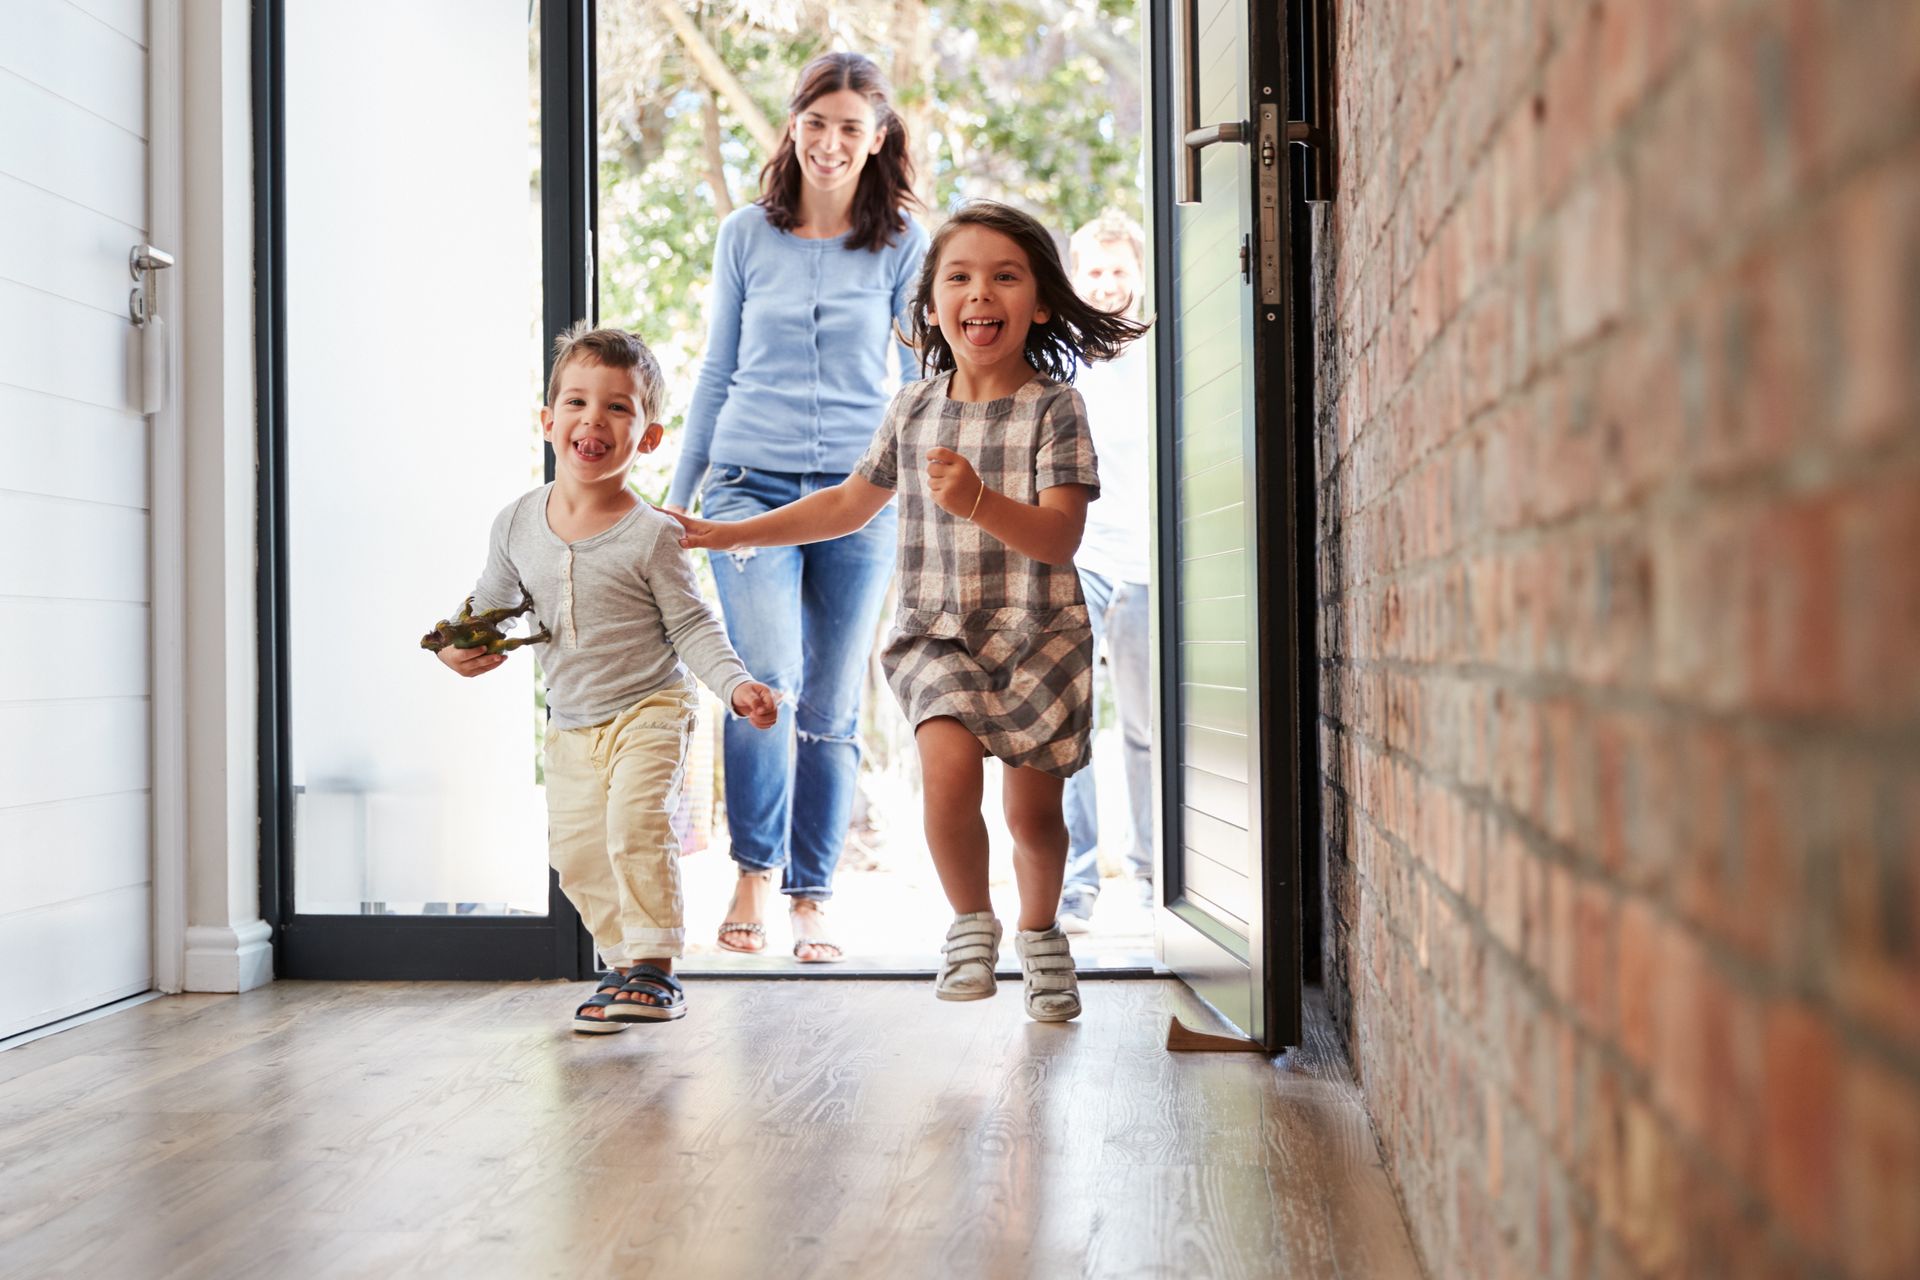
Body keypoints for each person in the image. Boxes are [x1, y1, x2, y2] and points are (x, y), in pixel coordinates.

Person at [671, 202, 1148, 1021]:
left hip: (1040, 635)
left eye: (1005, 275)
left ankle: (1040, 935)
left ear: (1039, 301)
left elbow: (1061, 537)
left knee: (1033, 815)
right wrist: (729, 528)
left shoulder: (1056, 409)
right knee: (947, 775)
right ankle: (971, 923)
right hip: (939, 634)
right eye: (958, 277)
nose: (979, 293)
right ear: (929, 306)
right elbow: (848, 505)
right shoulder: (913, 408)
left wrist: (978, 500)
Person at [438, 323, 780, 1033]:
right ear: (548, 422)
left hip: (649, 707)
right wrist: (455, 644)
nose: (593, 419)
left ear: (648, 438)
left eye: (619, 408)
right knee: (578, 852)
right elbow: (490, 605)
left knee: (634, 825)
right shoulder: (514, 524)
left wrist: (736, 685)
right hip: (570, 720)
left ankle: (655, 971)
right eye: (576, 403)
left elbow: (691, 626)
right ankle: (623, 964)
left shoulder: (653, 534)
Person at [664, 51, 929, 963]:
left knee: (830, 699)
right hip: (746, 486)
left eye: (850, 127)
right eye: (816, 123)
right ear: (792, 126)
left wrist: (927, 492)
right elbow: (716, 368)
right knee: (763, 683)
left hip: (861, 496)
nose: (829, 142)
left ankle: (812, 895)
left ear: (878, 138)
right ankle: (751, 873)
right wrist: (676, 498)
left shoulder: (903, 245)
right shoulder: (747, 233)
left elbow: (920, 381)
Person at [1056, 210, 1156, 932]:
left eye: (1121, 270)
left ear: (1140, 276)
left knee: (1150, 728)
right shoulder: (1061, 364)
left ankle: (1157, 877)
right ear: (1075, 278)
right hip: (1080, 557)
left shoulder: (1164, 352)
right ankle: (1078, 884)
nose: (1109, 283)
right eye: (1095, 271)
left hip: (1150, 561)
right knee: (1072, 725)